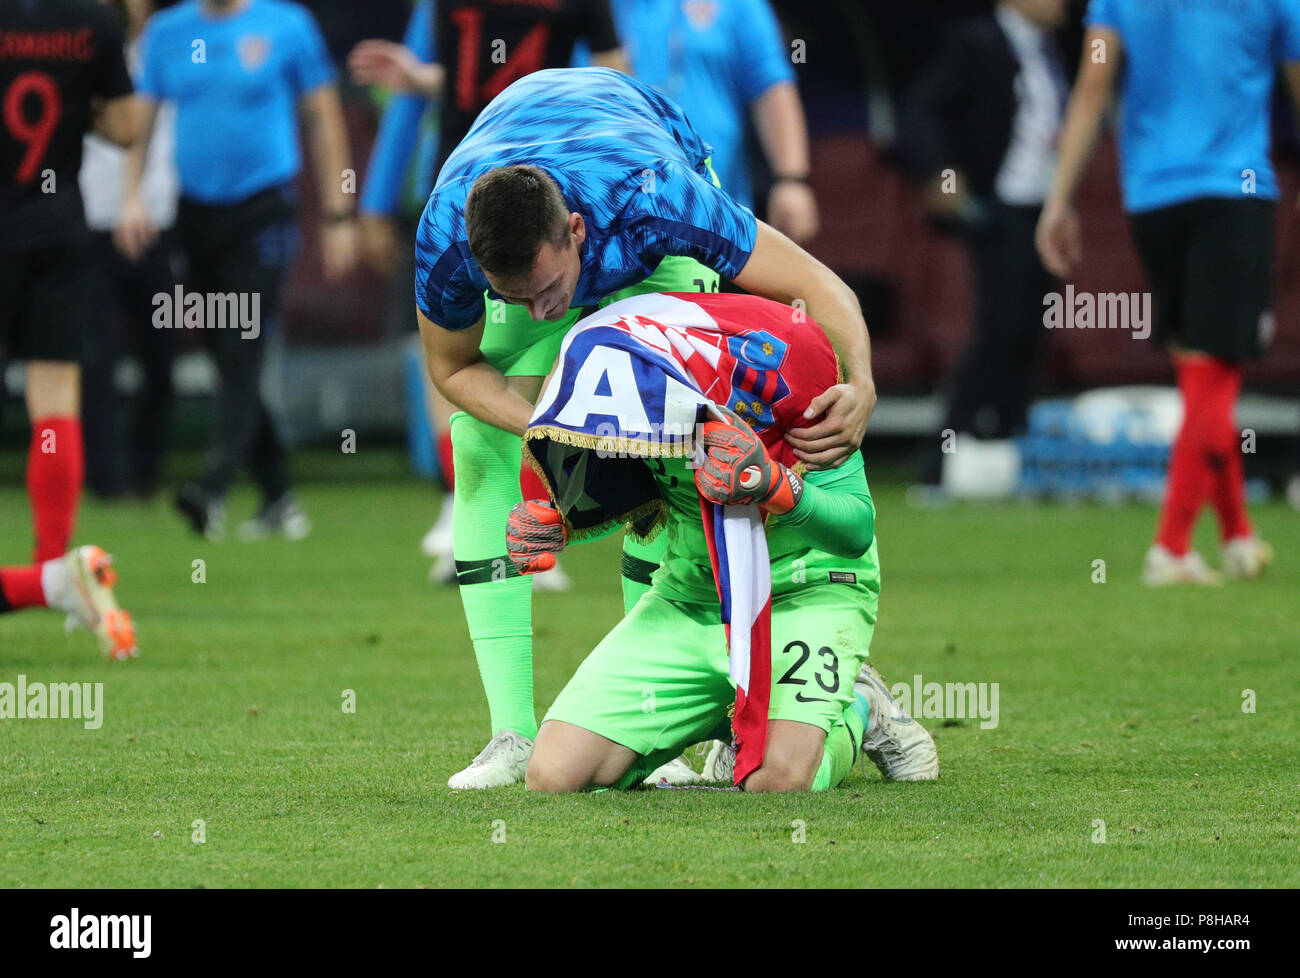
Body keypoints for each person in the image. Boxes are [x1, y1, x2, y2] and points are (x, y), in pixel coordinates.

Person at [415, 67, 878, 788]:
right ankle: (511, 733)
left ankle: (672, 725)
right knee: (476, 441)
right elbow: (453, 369)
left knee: (664, 418)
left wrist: (862, 382)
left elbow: (820, 287)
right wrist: (562, 425)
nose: (541, 315)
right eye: (517, 298)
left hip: (645, 211)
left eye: (546, 291)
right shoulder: (447, 236)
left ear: (575, 232)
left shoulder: (659, 196)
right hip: (543, 181)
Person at [507, 290, 936, 792]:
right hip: (691, 597)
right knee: (555, 775)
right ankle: (732, 716)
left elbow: (856, 527)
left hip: (807, 590)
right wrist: (558, 526)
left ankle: (860, 707)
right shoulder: (626, 379)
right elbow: (632, 498)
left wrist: (777, 486)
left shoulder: (786, 368)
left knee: (775, 782)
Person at [349, 0, 627, 586]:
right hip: (457, 183)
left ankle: (536, 518)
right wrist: (420, 83)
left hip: (545, 184)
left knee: (544, 343)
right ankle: (461, 501)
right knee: (451, 349)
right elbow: (463, 78)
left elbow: (613, 75)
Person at [1036, 0, 1296, 584]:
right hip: (1235, 191)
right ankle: (1172, 547)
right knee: (1213, 373)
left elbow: (1094, 82)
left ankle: (1238, 536)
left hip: (1151, 197)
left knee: (1200, 372)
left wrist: (1059, 198)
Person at [118, 0, 359, 541]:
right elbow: (143, 123)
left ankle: (212, 489)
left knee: (243, 344)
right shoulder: (168, 33)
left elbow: (324, 117)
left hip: (263, 210)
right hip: (196, 214)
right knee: (227, 357)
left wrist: (339, 212)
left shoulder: (287, 25)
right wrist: (131, 198)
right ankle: (278, 496)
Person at [0, 0, 142, 658]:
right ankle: (53, 564)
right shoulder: (94, 21)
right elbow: (123, 126)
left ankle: (52, 578)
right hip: (56, 233)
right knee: (54, 401)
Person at [902, 0, 1068, 493]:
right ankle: (937, 462)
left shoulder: (1050, 50)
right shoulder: (976, 41)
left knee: (1029, 336)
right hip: (1001, 209)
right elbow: (923, 109)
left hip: (1043, 210)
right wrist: (943, 176)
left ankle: (1011, 455)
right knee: (998, 331)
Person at [610, 0, 819, 243]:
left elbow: (770, 85)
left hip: (718, 210)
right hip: (614, 214)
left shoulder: (738, 4)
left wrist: (791, 180)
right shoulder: (584, 6)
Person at [80, 0, 179, 500]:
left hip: (154, 225)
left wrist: (141, 201)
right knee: (94, 359)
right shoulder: (82, 45)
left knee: (160, 359)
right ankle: (103, 476)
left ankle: (145, 470)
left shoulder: (170, 44)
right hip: (88, 223)